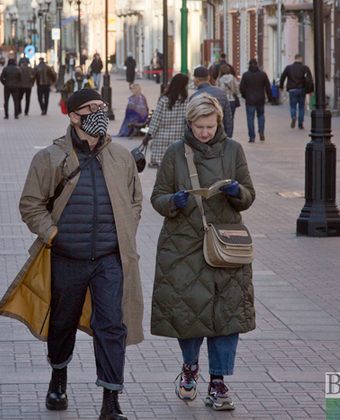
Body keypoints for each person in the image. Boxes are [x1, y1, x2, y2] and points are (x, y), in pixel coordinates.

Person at [0, 88, 144, 420]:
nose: (100, 113)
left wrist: (125, 230)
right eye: (93, 108)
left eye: (103, 107)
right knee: (62, 324)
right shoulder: (49, 158)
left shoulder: (121, 156)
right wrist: (54, 235)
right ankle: (58, 377)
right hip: (66, 257)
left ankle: (111, 401)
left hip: (108, 259)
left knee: (111, 326)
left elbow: (135, 199)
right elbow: (30, 205)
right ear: (74, 116)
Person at [150, 93, 256, 412]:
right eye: (199, 126)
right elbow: (157, 197)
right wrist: (174, 202)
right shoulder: (174, 153)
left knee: (228, 315)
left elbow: (249, 195)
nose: (205, 132)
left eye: (210, 126)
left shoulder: (234, 150)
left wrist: (238, 192)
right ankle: (190, 368)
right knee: (190, 311)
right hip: (183, 246)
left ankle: (219, 382)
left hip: (226, 244)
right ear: (190, 123)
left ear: (219, 122)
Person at [144, 73, 189, 167]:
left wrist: (149, 135)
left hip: (161, 139)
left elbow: (156, 119)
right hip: (178, 139)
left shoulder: (164, 100)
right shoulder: (186, 101)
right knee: (175, 166)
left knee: (161, 168)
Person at [189, 66, 233, 138]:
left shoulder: (194, 97)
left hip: (202, 136)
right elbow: (228, 117)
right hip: (219, 135)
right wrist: (228, 136)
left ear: (195, 80)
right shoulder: (221, 93)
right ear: (208, 78)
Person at [239, 58, 273, 142]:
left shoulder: (246, 75)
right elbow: (268, 87)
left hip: (250, 100)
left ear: (249, 65)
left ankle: (252, 137)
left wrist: (245, 96)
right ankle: (261, 131)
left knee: (250, 118)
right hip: (260, 99)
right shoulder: (263, 74)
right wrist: (270, 99)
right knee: (261, 116)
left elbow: (241, 88)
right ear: (257, 65)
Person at [279, 53, 313, 130]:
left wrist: (281, 87)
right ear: (301, 59)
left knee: (293, 105)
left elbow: (283, 77)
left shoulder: (289, 68)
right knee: (301, 107)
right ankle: (300, 124)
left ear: (295, 59)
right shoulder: (305, 68)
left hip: (292, 89)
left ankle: (293, 116)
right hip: (301, 90)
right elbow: (310, 80)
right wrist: (311, 90)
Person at [215, 64, 240, 130]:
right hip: (232, 101)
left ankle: (223, 132)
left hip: (222, 101)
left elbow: (217, 91)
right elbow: (236, 90)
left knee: (222, 118)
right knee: (231, 119)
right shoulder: (233, 78)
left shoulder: (219, 79)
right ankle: (229, 134)